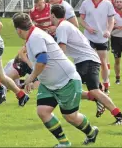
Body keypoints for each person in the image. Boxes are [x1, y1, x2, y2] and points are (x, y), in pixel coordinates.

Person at [12, 12, 99, 147]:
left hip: (66, 80)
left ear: (18, 30)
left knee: (71, 117)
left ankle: (92, 132)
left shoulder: (35, 37)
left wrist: (31, 78)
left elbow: (42, 60)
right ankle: (64, 143)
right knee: (43, 111)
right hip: (49, 84)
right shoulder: (33, 36)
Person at [51, 5, 122, 124]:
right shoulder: (66, 25)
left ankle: (121, 117)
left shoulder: (62, 27)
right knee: (70, 88)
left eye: (49, 15)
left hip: (87, 61)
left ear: (53, 15)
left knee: (91, 90)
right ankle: (96, 99)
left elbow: (61, 49)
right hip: (84, 60)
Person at [79, 0, 115, 93]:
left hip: (102, 37)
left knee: (102, 61)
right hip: (89, 37)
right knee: (89, 60)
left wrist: (108, 31)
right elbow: (81, 19)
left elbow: (111, 20)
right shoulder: (86, 3)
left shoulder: (107, 4)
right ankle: (94, 83)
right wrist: (88, 28)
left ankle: (106, 83)